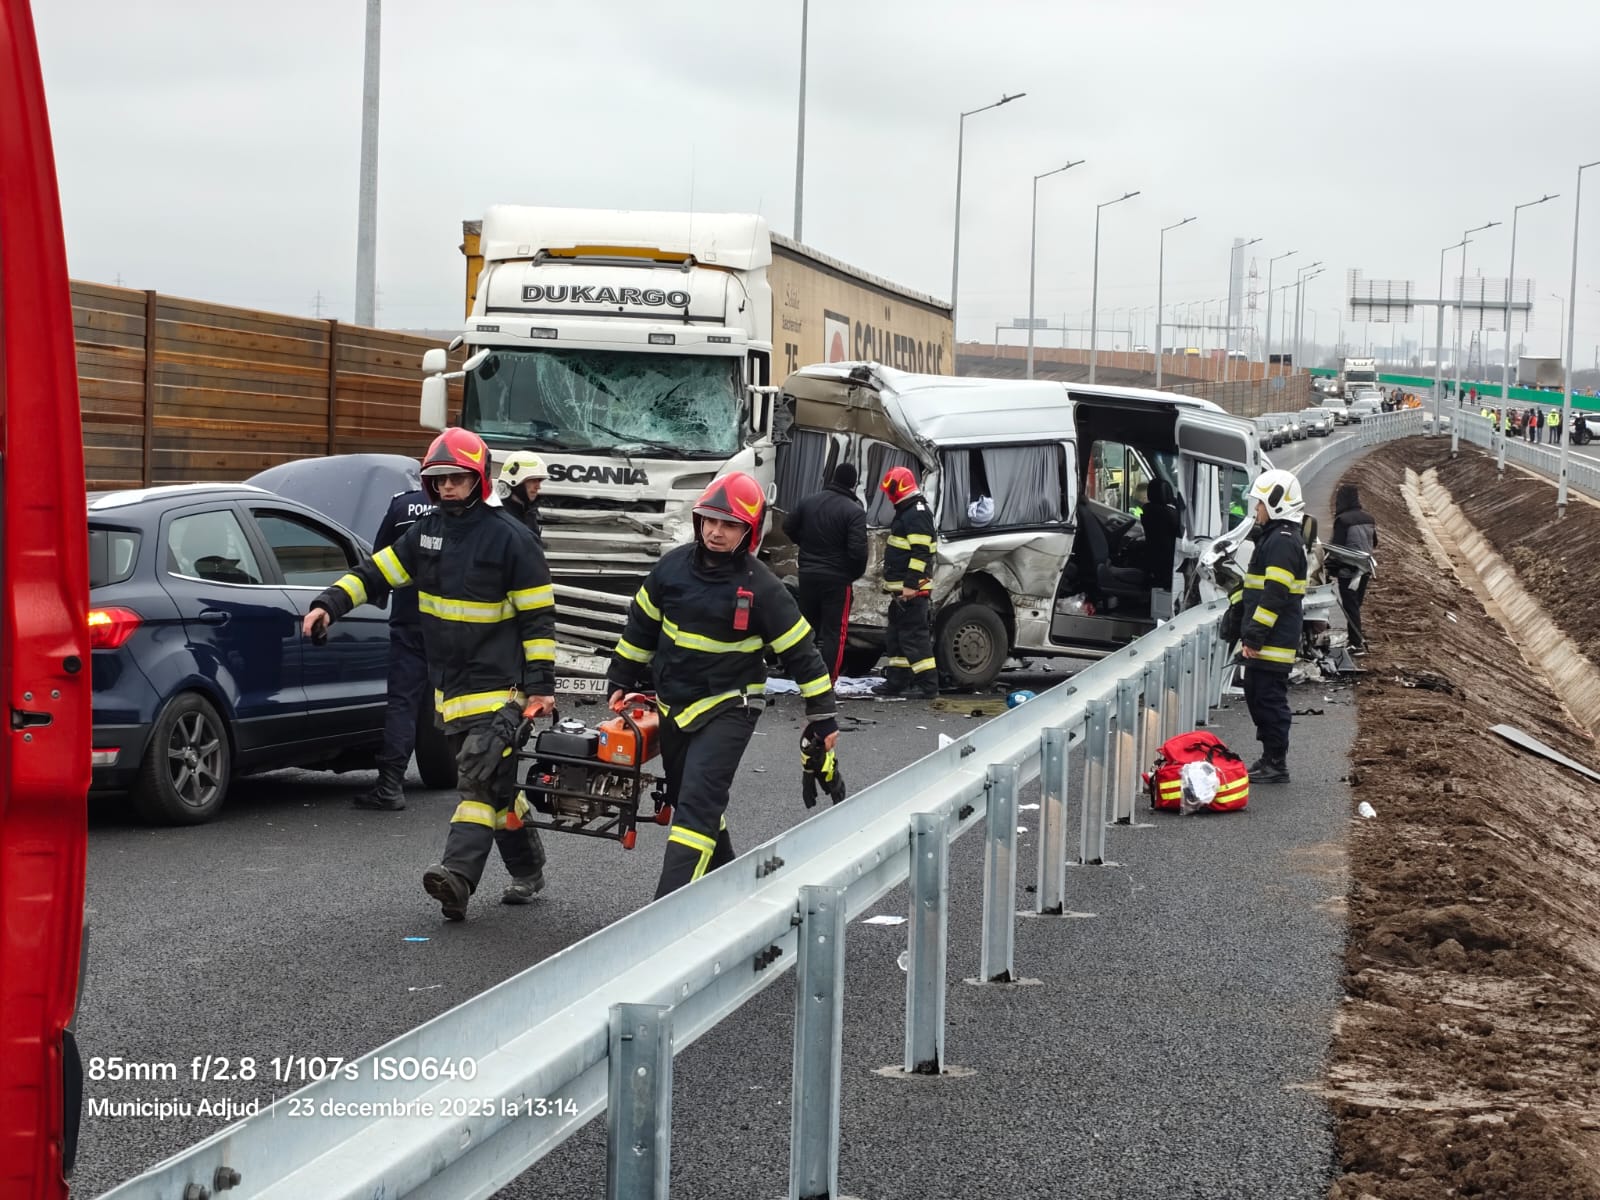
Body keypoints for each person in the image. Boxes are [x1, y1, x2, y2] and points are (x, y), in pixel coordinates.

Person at [301, 427, 558, 921]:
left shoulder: (513, 540)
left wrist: (541, 688)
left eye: (456, 479)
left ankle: (456, 878)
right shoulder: (427, 533)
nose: (445, 488)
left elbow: (537, 618)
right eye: (437, 480)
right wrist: (329, 603)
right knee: (501, 793)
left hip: (501, 689)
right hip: (451, 691)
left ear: (478, 478)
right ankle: (529, 870)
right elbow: (378, 571)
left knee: (477, 780)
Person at [605, 471, 837, 898]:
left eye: (729, 524)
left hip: (731, 705)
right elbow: (640, 626)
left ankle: (664, 923)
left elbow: (803, 652)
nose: (715, 531)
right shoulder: (670, 569)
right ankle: (733, 888)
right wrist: (620, 676)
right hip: (674, 705)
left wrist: (822, 716)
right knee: (687, 795)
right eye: (709, 520)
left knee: (694, 806)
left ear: (747, 532)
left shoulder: (763, 587)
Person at [351, 483, 435, 811]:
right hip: (457, 623)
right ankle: (486, 784)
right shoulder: (469, 508)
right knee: (468, 699)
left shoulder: (403, 506)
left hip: (410, 619)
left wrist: (379, 598)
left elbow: (380, 560)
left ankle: (390, 785)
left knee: (403, 703)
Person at [1232, 468, 1307, 785]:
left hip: (1273, 640)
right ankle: (1269, 758)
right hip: (1268, 638)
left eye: (1260, 504)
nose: (1256, 510)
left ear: (1276, 503)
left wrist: (1255, 636)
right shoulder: (1274, 539)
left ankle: (1277, 762)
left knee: (1268, 698)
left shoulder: (1281, 541)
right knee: (1256, 694)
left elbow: (1275, 595)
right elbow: (1257, 589)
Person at [781, 462, 868, 681]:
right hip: (838, 579)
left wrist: (805, 546)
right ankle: (827, 679)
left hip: (808, 574)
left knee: (804, 627)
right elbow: (858, 552)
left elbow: (788, 526)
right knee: (834, 633)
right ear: (853, 484)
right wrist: (852, 574)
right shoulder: (854, 511)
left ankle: (796, 672)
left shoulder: (808, 501)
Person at [873, 465, 939, 699]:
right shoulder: (908, 510)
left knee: (914, 639)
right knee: (897, 638)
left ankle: (928, 686)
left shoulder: (917, 512)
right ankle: (898, 682)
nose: (889, 496)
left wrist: (912, 584)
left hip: (912, 591)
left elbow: (921, 552)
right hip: (901, 591)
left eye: (891, 490)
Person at [1330, 484, 1378, 655]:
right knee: (1356, 604)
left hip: (1348, 571)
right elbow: (1375, 541)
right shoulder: (1369, 518)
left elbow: (1337, 547)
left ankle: (1356, 643)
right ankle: (1354, 638)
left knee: (1350, 605)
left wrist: (1331, 568)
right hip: (1365, 569)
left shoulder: (1342, 520)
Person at [496, 450, 548, 544]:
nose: (538, 487)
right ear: (516, 481)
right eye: (533, 481)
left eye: (539, 481)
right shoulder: (499, 519)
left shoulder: (529, 513)